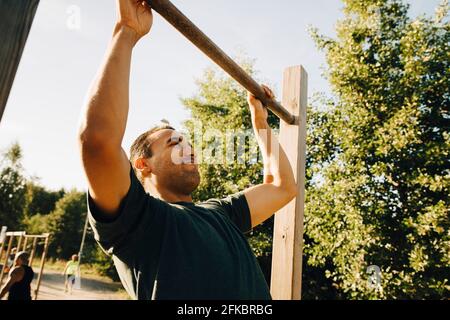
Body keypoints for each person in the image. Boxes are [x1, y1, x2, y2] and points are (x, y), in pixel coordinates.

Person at [77, 0, 297, 300]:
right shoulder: (139, 219)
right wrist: (126, 32)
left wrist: (260, 124)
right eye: (174, 142)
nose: (188, 148)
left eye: (187, 141)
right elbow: (97, 142)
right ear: (142, 164)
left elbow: (283, 186)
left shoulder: (222, 213)